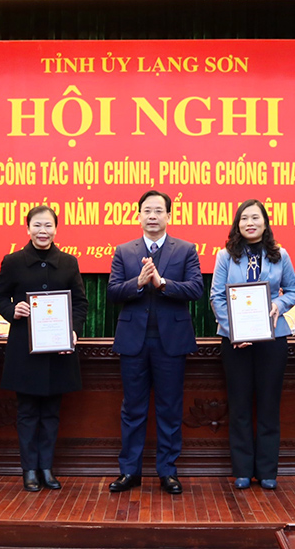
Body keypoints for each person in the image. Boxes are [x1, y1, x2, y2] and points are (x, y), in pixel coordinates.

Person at [107, 190, 203, 495]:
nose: (152, 216)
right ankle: (129, 471)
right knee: (132, 409)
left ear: (168, 216)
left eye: (158, 211)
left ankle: (168, 471)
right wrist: (137, 283)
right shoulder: (124, 251)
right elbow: (112, 292)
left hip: (170, 343)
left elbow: (196, 289)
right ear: (138, 216)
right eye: (147, 210)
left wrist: (163, 284)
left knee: (170, 408)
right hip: (133, 342)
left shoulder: (185, 249)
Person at [0, 206, 88, 492]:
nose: (42, 231)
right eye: (37, 225)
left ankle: (46, 467)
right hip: (25, 349)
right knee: (27, 412)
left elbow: (80, 303)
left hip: (58, 349)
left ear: (56, 229)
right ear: (28, 228)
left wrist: (73, 330)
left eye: (48, 225)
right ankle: (29, 470)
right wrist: (13, 309)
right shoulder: (13, 261)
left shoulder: (68, 263)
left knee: (51, 413)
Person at [209, 199, 295, 490]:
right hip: (235, 342)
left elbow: (294, 291)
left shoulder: (280, 254)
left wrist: (278, 304)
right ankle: (243, 470)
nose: (250, 223)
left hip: (272, 338)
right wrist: (234, 330)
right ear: (237, 224)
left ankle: (267, 470)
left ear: (265, 223)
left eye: (255, 218)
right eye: (244, 218)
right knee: (239, 406)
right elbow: (216, 297)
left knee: (269, 405)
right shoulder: (225, 256)